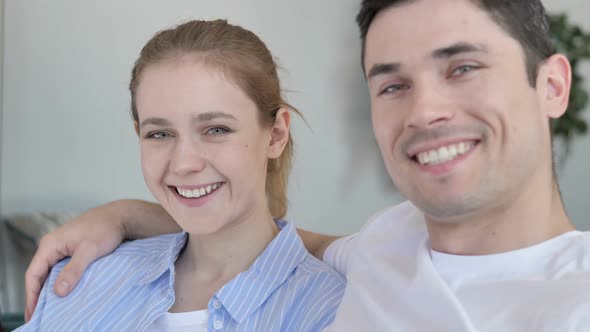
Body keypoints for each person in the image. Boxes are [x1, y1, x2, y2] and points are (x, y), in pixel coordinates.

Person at [25, 0, 590, 331]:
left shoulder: (333, 296)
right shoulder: (381, 250)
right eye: (392, 84)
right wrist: (125, 216)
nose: (425, 111)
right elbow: (257, 241)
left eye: (463, 67)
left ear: (553, 85)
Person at [18, 19, 345, 331]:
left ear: (275, 134)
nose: (183, 163)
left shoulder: (336, 308)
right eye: (160, 134)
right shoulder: (82, 279)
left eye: (216, 129)